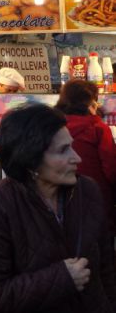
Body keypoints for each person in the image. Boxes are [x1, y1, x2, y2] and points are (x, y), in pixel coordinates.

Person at [0, 104, 116, 312]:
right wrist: (62, 278)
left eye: (71, 146)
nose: (77, 158)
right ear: (31, 160)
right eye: (63, 150)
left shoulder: (87, 191)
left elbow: (106, 268)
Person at [56, 80, 116, 239]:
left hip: (59, 196)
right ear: (90, 102)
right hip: (97, 198)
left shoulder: (54, 125)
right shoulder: (98, 128)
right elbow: (111, 169)